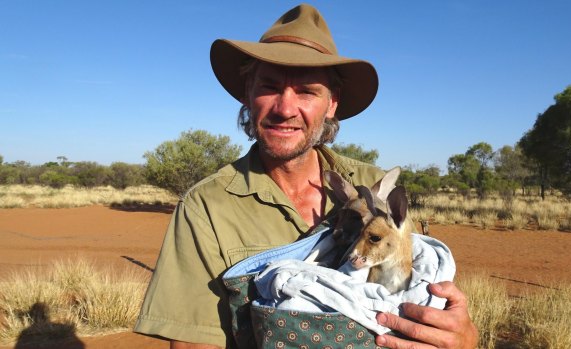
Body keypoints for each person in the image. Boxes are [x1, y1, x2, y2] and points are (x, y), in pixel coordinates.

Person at [134, 4, 478, 349]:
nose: (285, 108)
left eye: (306, 91)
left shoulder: (376, 188)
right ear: (247, 94)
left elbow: (409, 288)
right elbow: (196, 342)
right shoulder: (207, 206)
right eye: (269, 87)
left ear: (331, 103)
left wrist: (461, 338)